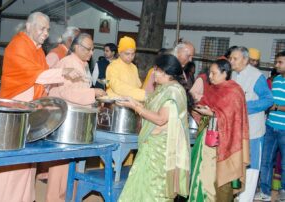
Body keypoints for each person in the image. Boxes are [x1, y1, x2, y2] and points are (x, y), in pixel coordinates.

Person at [0, 12, 78, 202]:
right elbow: (35, 75)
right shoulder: (18, 45)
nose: (46, 33)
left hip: (29, 111)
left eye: (48, 30)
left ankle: (23, 198)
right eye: (42, 29)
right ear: (29, 27)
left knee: (27, 159)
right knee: (10, 159)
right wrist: (62, 73)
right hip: (13, 111)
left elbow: (44, 76)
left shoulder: (38, 50)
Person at [117, 54, 191, 201]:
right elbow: (151, 108)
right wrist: (133, 102)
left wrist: (135, 108)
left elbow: (160, 119)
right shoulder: (164, 88)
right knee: (139, 188)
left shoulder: (174, 91)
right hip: (150, 146)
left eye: (156, 69)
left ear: (165, 72)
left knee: (153, 191)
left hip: (160, 152)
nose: (153, 72)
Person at [46, 33, 106, 202]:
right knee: (60, 164)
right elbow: (67, 92)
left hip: (75, 120)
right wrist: (93, 93)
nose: (91, 53)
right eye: (88, 49)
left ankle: (67, 197)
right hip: (64, 119)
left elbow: (80, 91)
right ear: (77, 47)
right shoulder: (68, 63)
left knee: (70, 163)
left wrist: (93, 100)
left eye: (93, 49)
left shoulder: (82, 64)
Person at [189, 59, 250, 202]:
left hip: (226, 143)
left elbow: (234, 119)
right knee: (203, 176)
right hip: (207, 140)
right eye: (209, 72)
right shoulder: (212, 89)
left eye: (213, 73)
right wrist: (199, 109)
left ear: (225, 73)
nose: (210, 76)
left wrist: (213, 114)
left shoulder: (235, 91)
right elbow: (206, 106)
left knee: (218, 179)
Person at [229, 46, 274, 202]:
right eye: (231, 58)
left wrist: (245, 106)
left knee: (252, 167)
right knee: (237, 164)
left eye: (235, 58)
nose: (231, 61)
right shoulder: (233, 75)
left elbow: (268, 100)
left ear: (245, 60)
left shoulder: (256, 77)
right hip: (236, 129)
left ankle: (246, 198)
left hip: (253, 131)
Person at [255, 51, 285, 201]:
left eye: (280, 62)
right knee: (266, 160)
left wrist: (277, 107)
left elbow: (275, 104)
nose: (276, 65)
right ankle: (265, 193)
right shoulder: (277, 80)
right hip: (270, 126)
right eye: (277, 62)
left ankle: (283, 192)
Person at [106, 36, 145, 101]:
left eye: (133, 54)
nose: (130, 57)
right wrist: (142, 95)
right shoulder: (113, 66)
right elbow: (117, 86)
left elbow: (137, 86)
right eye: (127, 54)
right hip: (116, 103)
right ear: (120, 52)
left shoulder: (134, 67)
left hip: (132, 102)